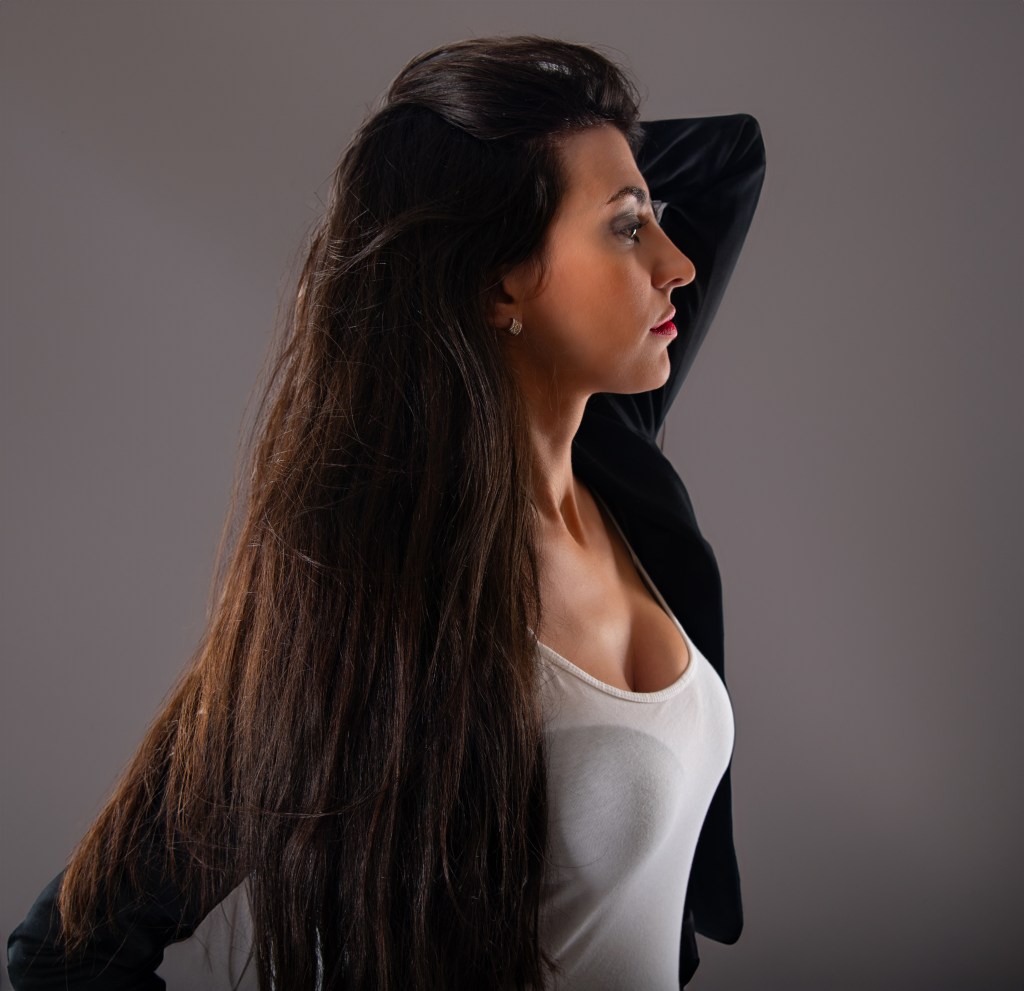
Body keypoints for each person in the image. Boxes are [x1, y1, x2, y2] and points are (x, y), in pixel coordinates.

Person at [6, 34, 766, 991]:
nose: (677, 263)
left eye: (653, 218)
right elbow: (64, 957)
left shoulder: (614, 460)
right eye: (627, 229)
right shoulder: (373, 599)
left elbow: (729, 154)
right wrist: (486, 187)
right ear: (499, 281)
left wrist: (508, 166)